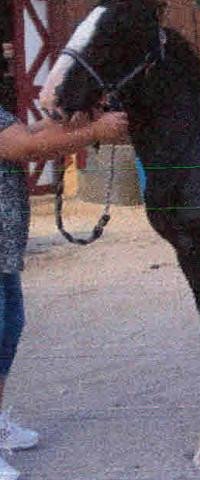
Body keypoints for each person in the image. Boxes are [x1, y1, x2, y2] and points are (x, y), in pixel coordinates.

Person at [0, 105, 129, 480]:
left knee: (9, 328)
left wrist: (71, 124)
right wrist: (94, 132)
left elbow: (27, 132)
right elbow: (24, 148)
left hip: (4, 250)